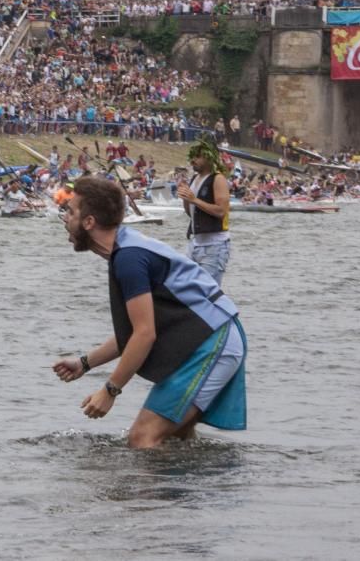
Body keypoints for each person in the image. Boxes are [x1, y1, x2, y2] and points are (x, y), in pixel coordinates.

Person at [52, 176, 247, 448]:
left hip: (213, 342)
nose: (65, 218)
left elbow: (145, 335)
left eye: (71, 211)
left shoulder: (129, 259)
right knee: (176, 440)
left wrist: (110, 391)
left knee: (143, 436)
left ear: (89, 222)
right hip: (209, 339)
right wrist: (85, 363)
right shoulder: (125, 251)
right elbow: (134, 332)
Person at [177, 138, 232, 285]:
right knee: (186, 287)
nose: (193, 159)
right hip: (195, 244)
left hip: (214, 246)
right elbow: (191, 213)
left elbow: (221, 211)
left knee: (208, 293)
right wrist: (185, 197)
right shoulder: (195, 178)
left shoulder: (218, 178)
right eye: (193, 155)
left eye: (198, 156)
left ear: (209, 157)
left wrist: (194, 199)